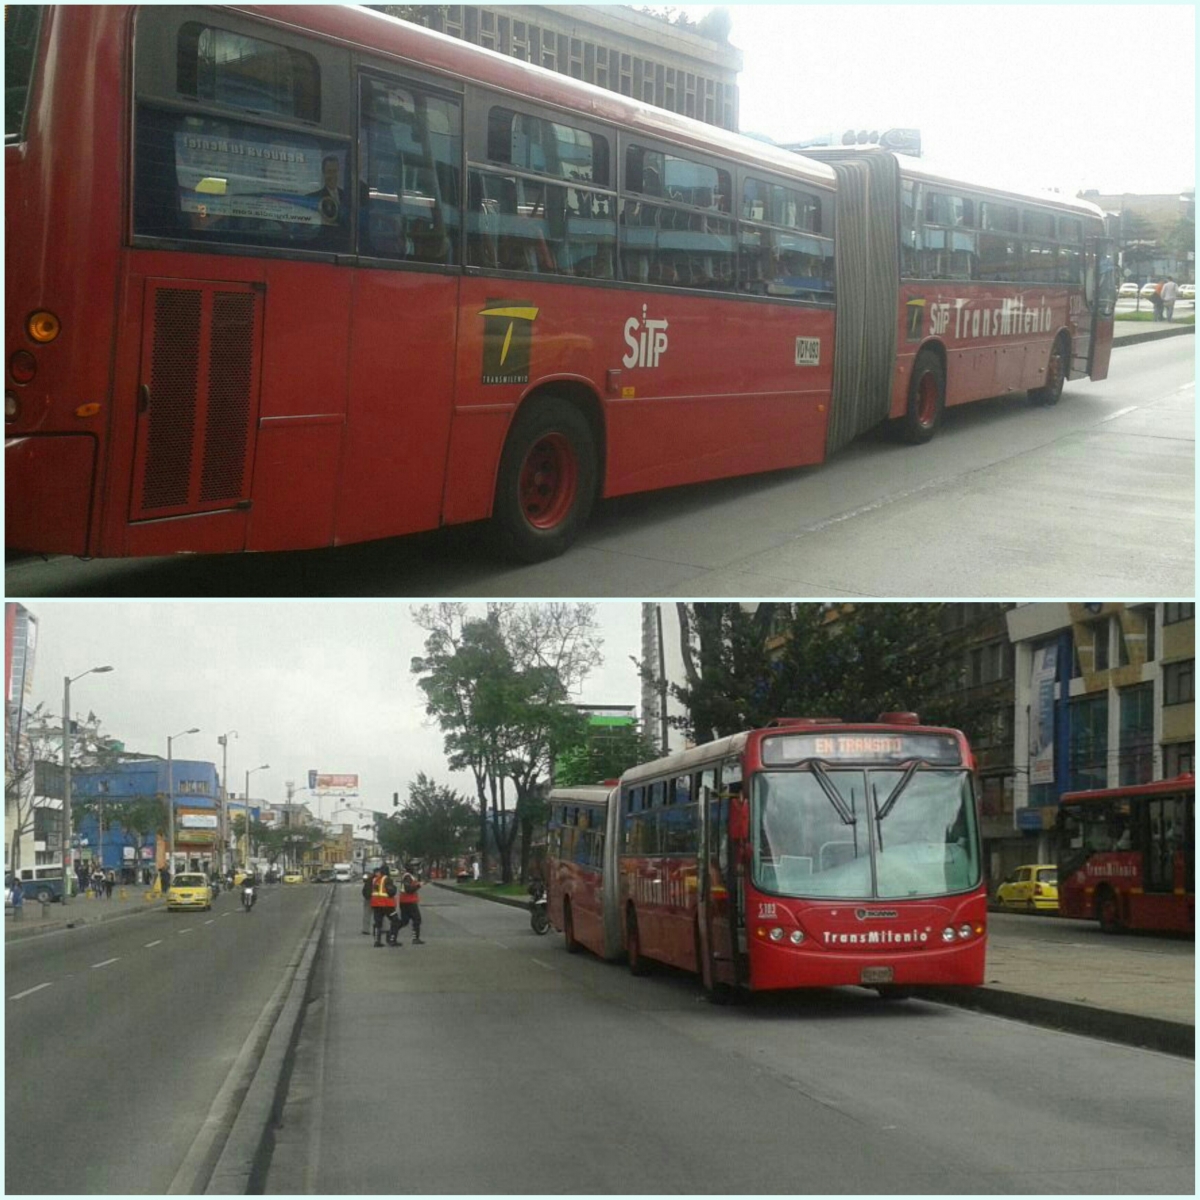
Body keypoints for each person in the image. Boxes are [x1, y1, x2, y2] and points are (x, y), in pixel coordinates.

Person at [392, 871, 425, 945]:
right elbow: (408, 889)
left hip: (405, 901)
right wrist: (418, 885)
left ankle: (392, 934)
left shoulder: (408, 876)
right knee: (417, 919)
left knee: (405, 921)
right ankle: (415, 938)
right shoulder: (407, 877)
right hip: (409, 901)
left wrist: (418, 884)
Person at [369, 864, 398, 947]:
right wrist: (394, 888)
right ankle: (392, 939)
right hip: (386, 904)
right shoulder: (387, 879)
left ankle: (377, 941)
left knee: (378, 923)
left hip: (376, 904)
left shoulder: (375, 879)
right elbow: (391, 892)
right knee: (395, 920)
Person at [360, 871, 373, 936]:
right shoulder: (380, 879)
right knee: (381, 914)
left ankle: (366, 929)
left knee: (367, 914)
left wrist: (366, 896)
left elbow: (364, 890)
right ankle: (383, 928)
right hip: (377, 898)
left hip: (368, 899)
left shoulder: (368, 880)